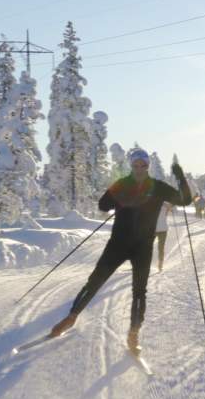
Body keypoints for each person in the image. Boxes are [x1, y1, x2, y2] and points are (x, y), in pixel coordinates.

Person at [50, 148, 192, 353]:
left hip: (143, 247)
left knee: (139, 291)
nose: (140, 169)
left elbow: (184, 200)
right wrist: (121, 197)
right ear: (131, 166)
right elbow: (103, 205)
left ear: (147, 166)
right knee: (95, 280)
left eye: (143, 165)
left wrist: (180, 176)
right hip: (118, 244)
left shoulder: (158, 187)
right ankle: (72, 316)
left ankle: (134, 333)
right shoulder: (122, 184)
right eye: (136, 165)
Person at [154, 201, 172, 272]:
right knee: (161, 248)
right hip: (162, 229)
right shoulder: (166, 205)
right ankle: (160, 265)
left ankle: (142, 263)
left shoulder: (152, 204)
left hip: (156, 229)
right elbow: (171, 209)